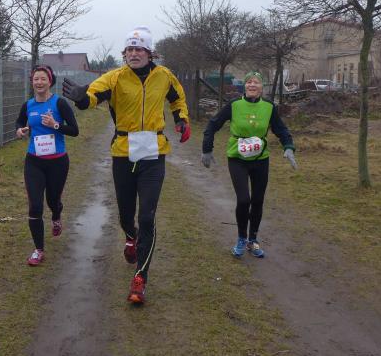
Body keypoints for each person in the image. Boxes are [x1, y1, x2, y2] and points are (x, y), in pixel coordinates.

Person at [62, 27, 190, 304]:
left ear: (149, 53)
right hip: (123, 152)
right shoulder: (115, 77)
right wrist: (82, 98)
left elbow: (177, 97)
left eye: (139, 49)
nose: (133, 54)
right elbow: (92, 96)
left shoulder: (164, 76)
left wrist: (181, 119)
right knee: (125, 215)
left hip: (154, 153)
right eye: (129, 49)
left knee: (147, 217)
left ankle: (140, 278)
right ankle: (131, 237)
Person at [201, 71, 296, 258]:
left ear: (262, 87)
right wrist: (207, 149)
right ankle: (241, 238)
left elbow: (281, 129)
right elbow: (213, 124)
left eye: (256, 82)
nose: (252, 85)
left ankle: (253, 240)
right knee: (244, 199)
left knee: (258, 200)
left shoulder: (269, 107)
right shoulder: (234, 105)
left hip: (261, 159)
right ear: (244, 86)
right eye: (249, 82)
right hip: (237, 158)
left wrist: (288, 146)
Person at [15, 65, 79, 266]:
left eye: (43, 79)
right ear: (32, 82)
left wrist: (55, 125)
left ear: (50, 81)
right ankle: (38, 250)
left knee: (52, 200)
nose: (39, 82)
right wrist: (20, 130)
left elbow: (75, 130)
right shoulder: (28, 105)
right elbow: (19, 122)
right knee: (35, 206)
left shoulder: (60, 103)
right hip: (34, 161)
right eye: (36, 79)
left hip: (57, 162)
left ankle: (56, 215)